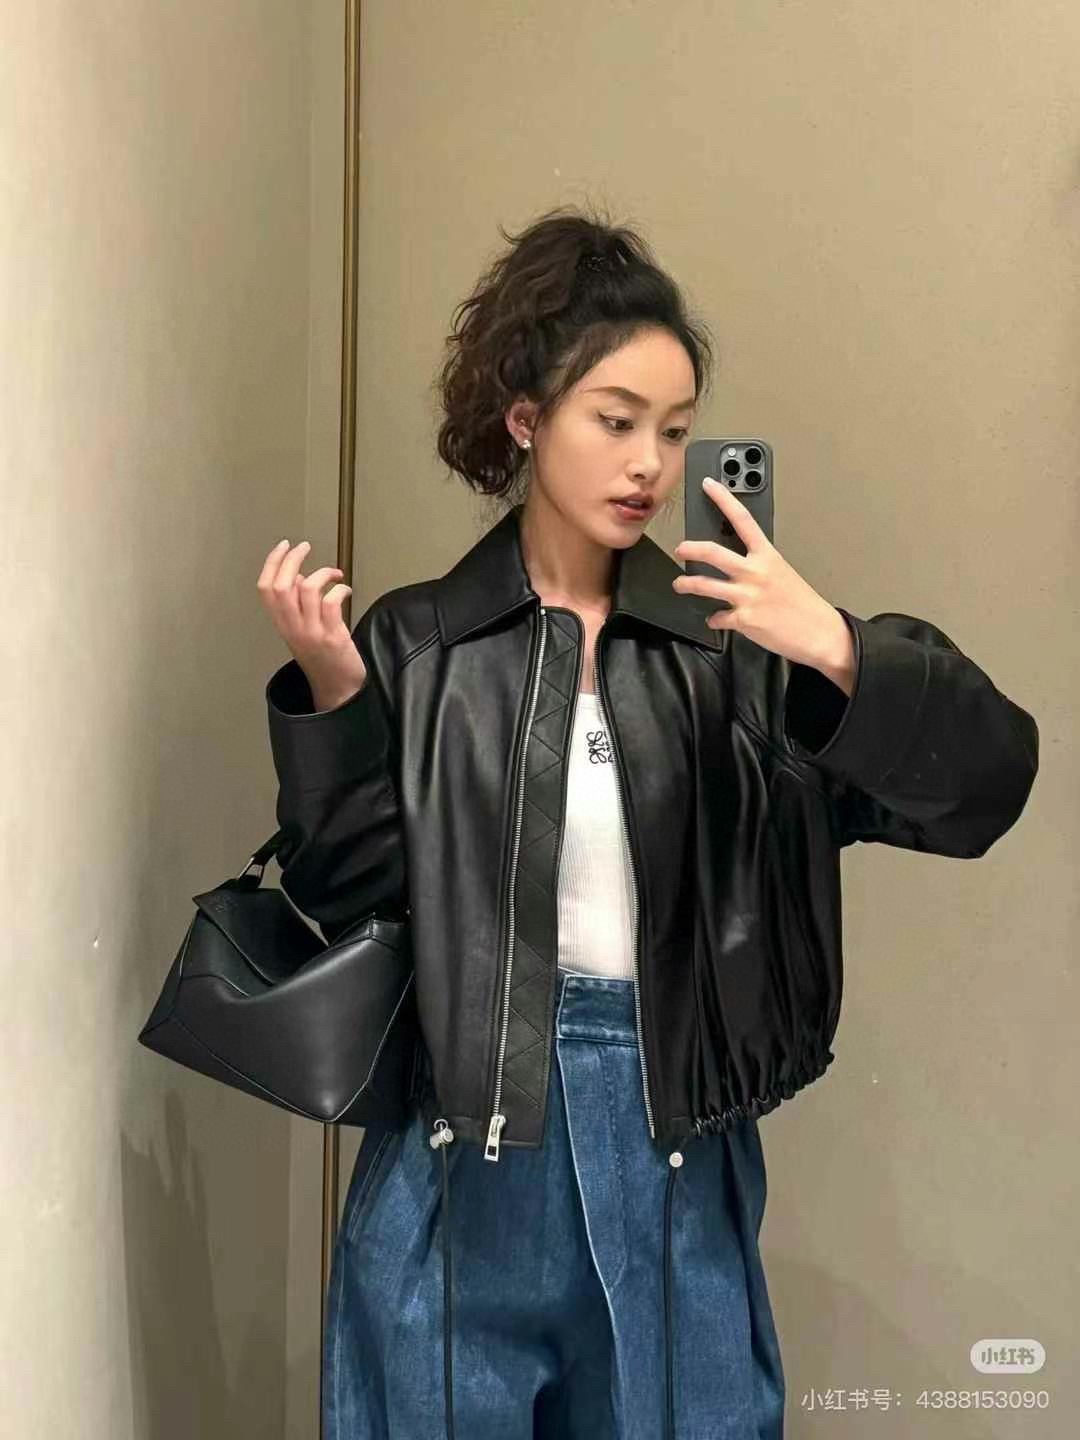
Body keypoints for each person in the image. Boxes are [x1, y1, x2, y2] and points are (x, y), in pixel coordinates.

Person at [256, 205, 1039, 1440]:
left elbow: (987, 789)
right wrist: (338, 700)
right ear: (528, 419)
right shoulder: (420, 642)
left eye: (674, 431)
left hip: (676, 1138)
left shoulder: (735, 652)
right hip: (460, 1153)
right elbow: (346, 895)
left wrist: (834, 646)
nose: (650, 466)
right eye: (615, 421)